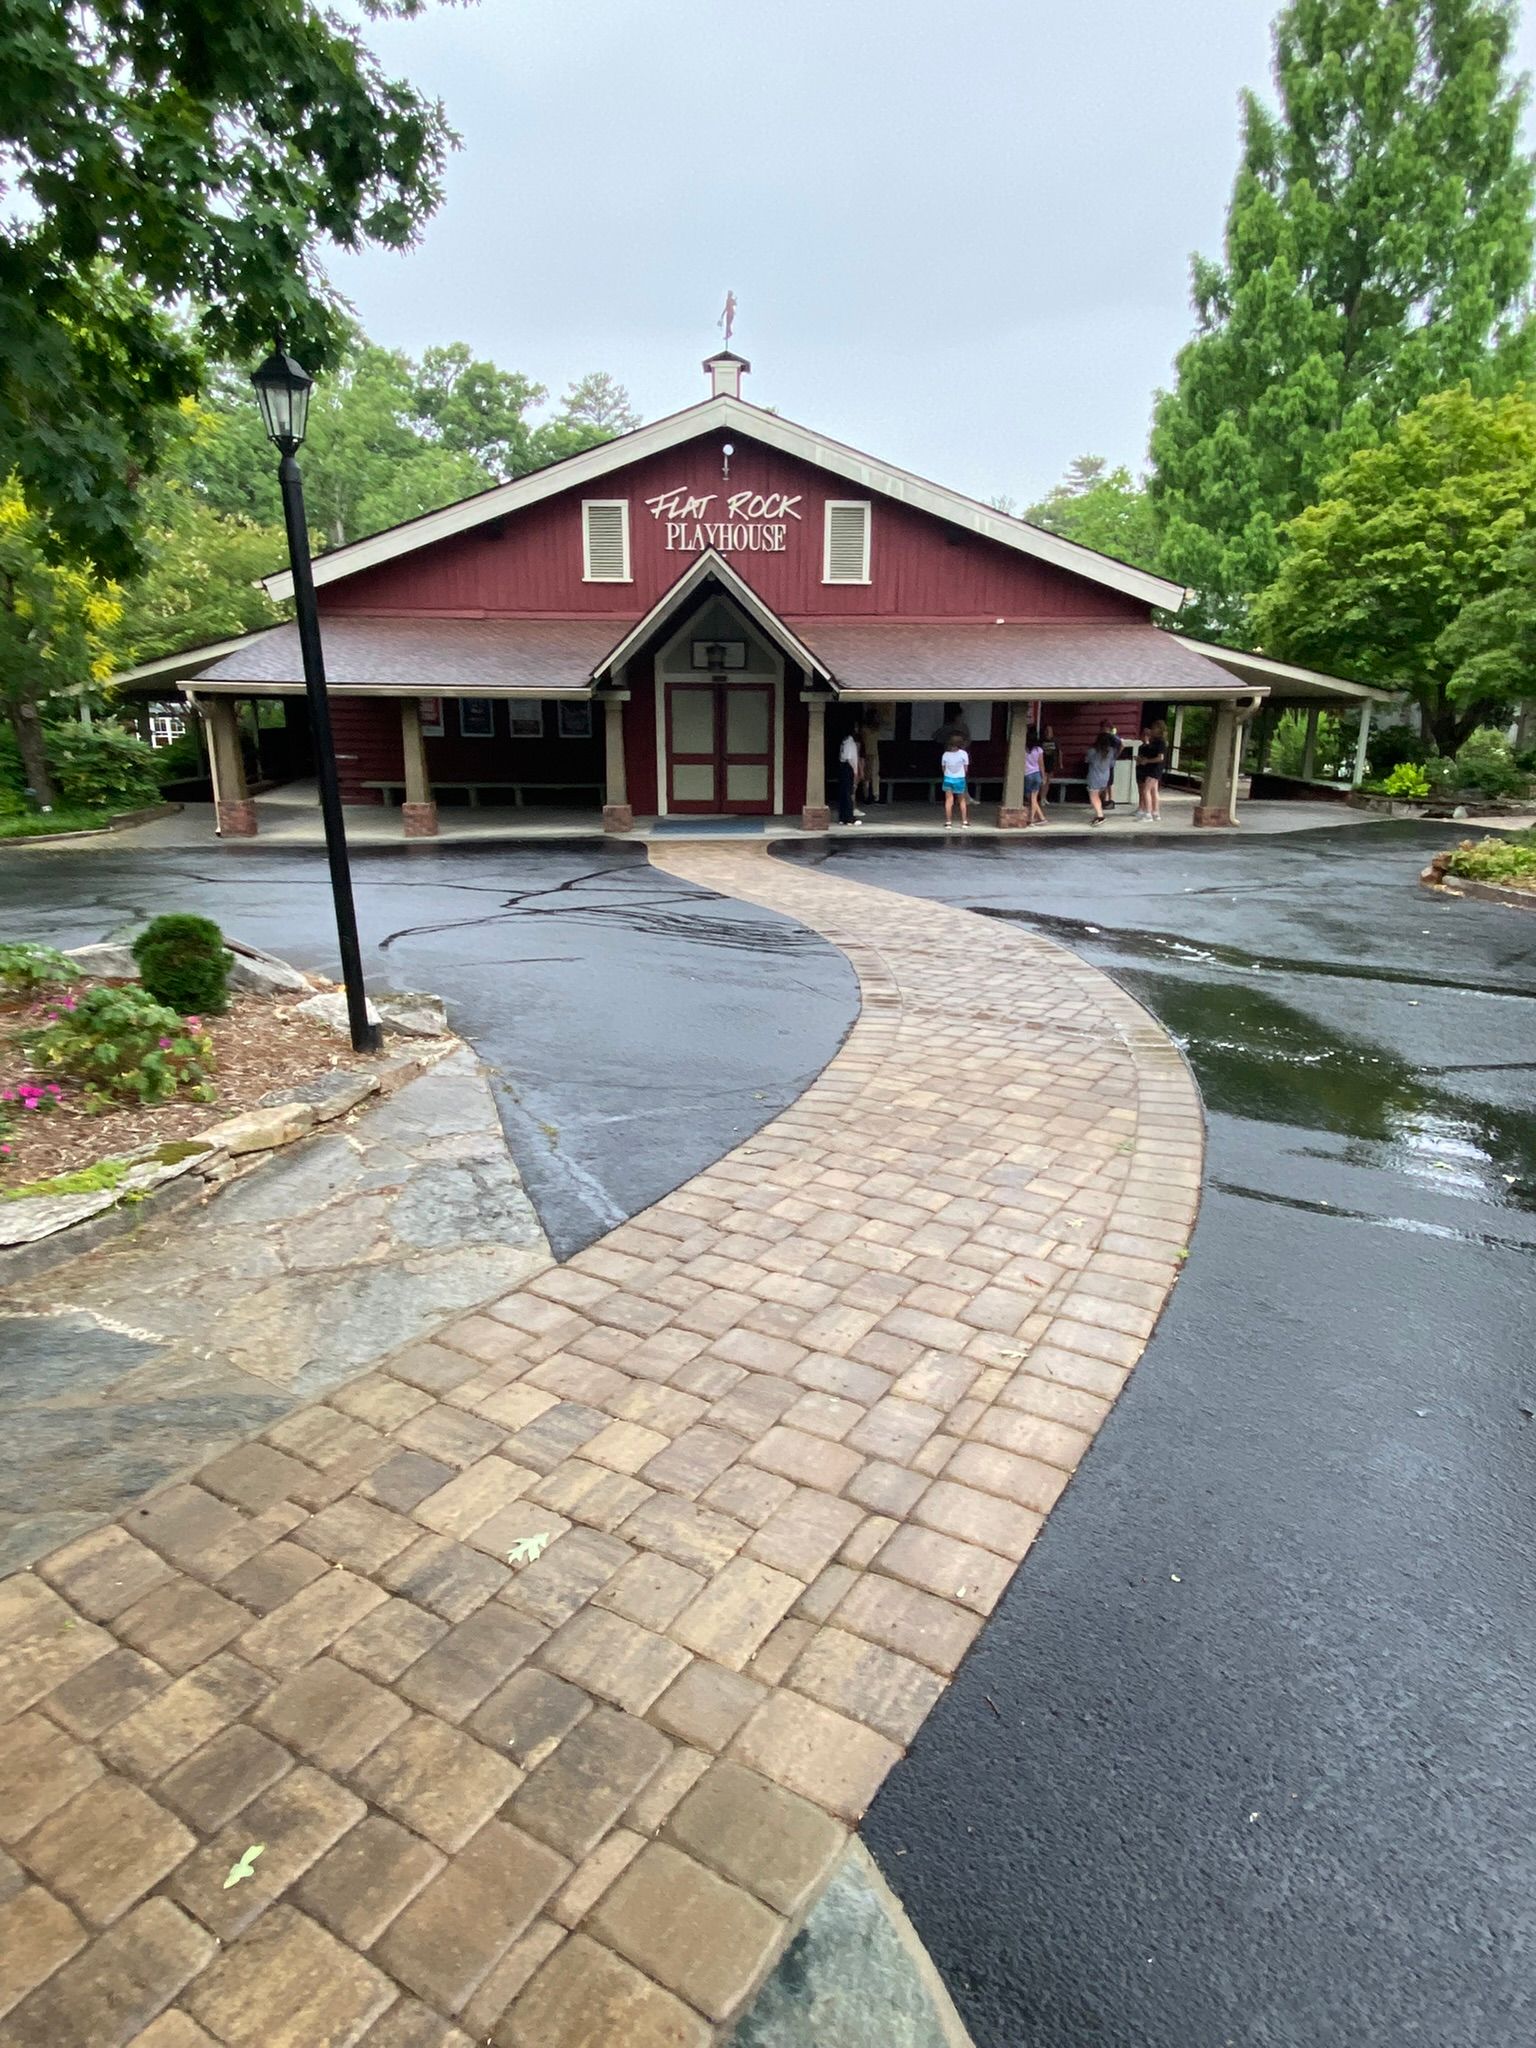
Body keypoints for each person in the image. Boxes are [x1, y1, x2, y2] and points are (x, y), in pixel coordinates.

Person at [1136, 718, 1167, 821]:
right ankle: (1156, 812)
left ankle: (1148, 813)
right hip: (1152, 768)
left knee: (1146, 790)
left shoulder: (1161, 742)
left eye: (1154, 728)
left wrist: (1147, 761)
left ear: (1159, 729)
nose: (1152, 730)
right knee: (1154, 790)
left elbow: (1160, 757)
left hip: (1154, 769)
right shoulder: (1155, 741)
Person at [1085, 728, 1117, 824]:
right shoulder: (1111, 751)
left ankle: (1100, 816)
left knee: (1093, 796)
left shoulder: (1092, 751)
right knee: (1097, 796)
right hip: (1105, 777)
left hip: (1094, 776)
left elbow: (1087, 760)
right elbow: (1112, 764)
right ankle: (1099, 814)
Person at [940, 736, 970, 829]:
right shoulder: (963, 754)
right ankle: (964, 822)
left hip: (948, 778)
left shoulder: (945, 754)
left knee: (949, 801)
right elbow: (966, 768)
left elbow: (943, 768)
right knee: (962, 800)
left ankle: (948, 822)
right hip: (960, 778)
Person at [857, 709, 883, 807]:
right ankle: (867, 795)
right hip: (867, 753)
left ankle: (875, 795)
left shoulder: (874, 728)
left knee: (875, 775)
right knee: (867, 776)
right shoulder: (864, 729)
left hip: (874, 753)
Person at [1023, 724, 1047, 826]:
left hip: (1027, 775)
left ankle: (1031, 820)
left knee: (1030, 798)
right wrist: (1044, 776)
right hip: (1037, 774)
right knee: (1034, 798)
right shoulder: (1038, 750)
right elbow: (1041, 764)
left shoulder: (1023, 749)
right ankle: (1041, 818)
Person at [837, 726, 861, 825]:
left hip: (842, 766)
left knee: (843, 792)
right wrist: (855, 770)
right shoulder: (850, 743)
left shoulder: (844, 742)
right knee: (848, 793)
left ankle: (842, 817)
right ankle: (849, 817)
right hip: (848, 767)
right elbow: (850, 758)